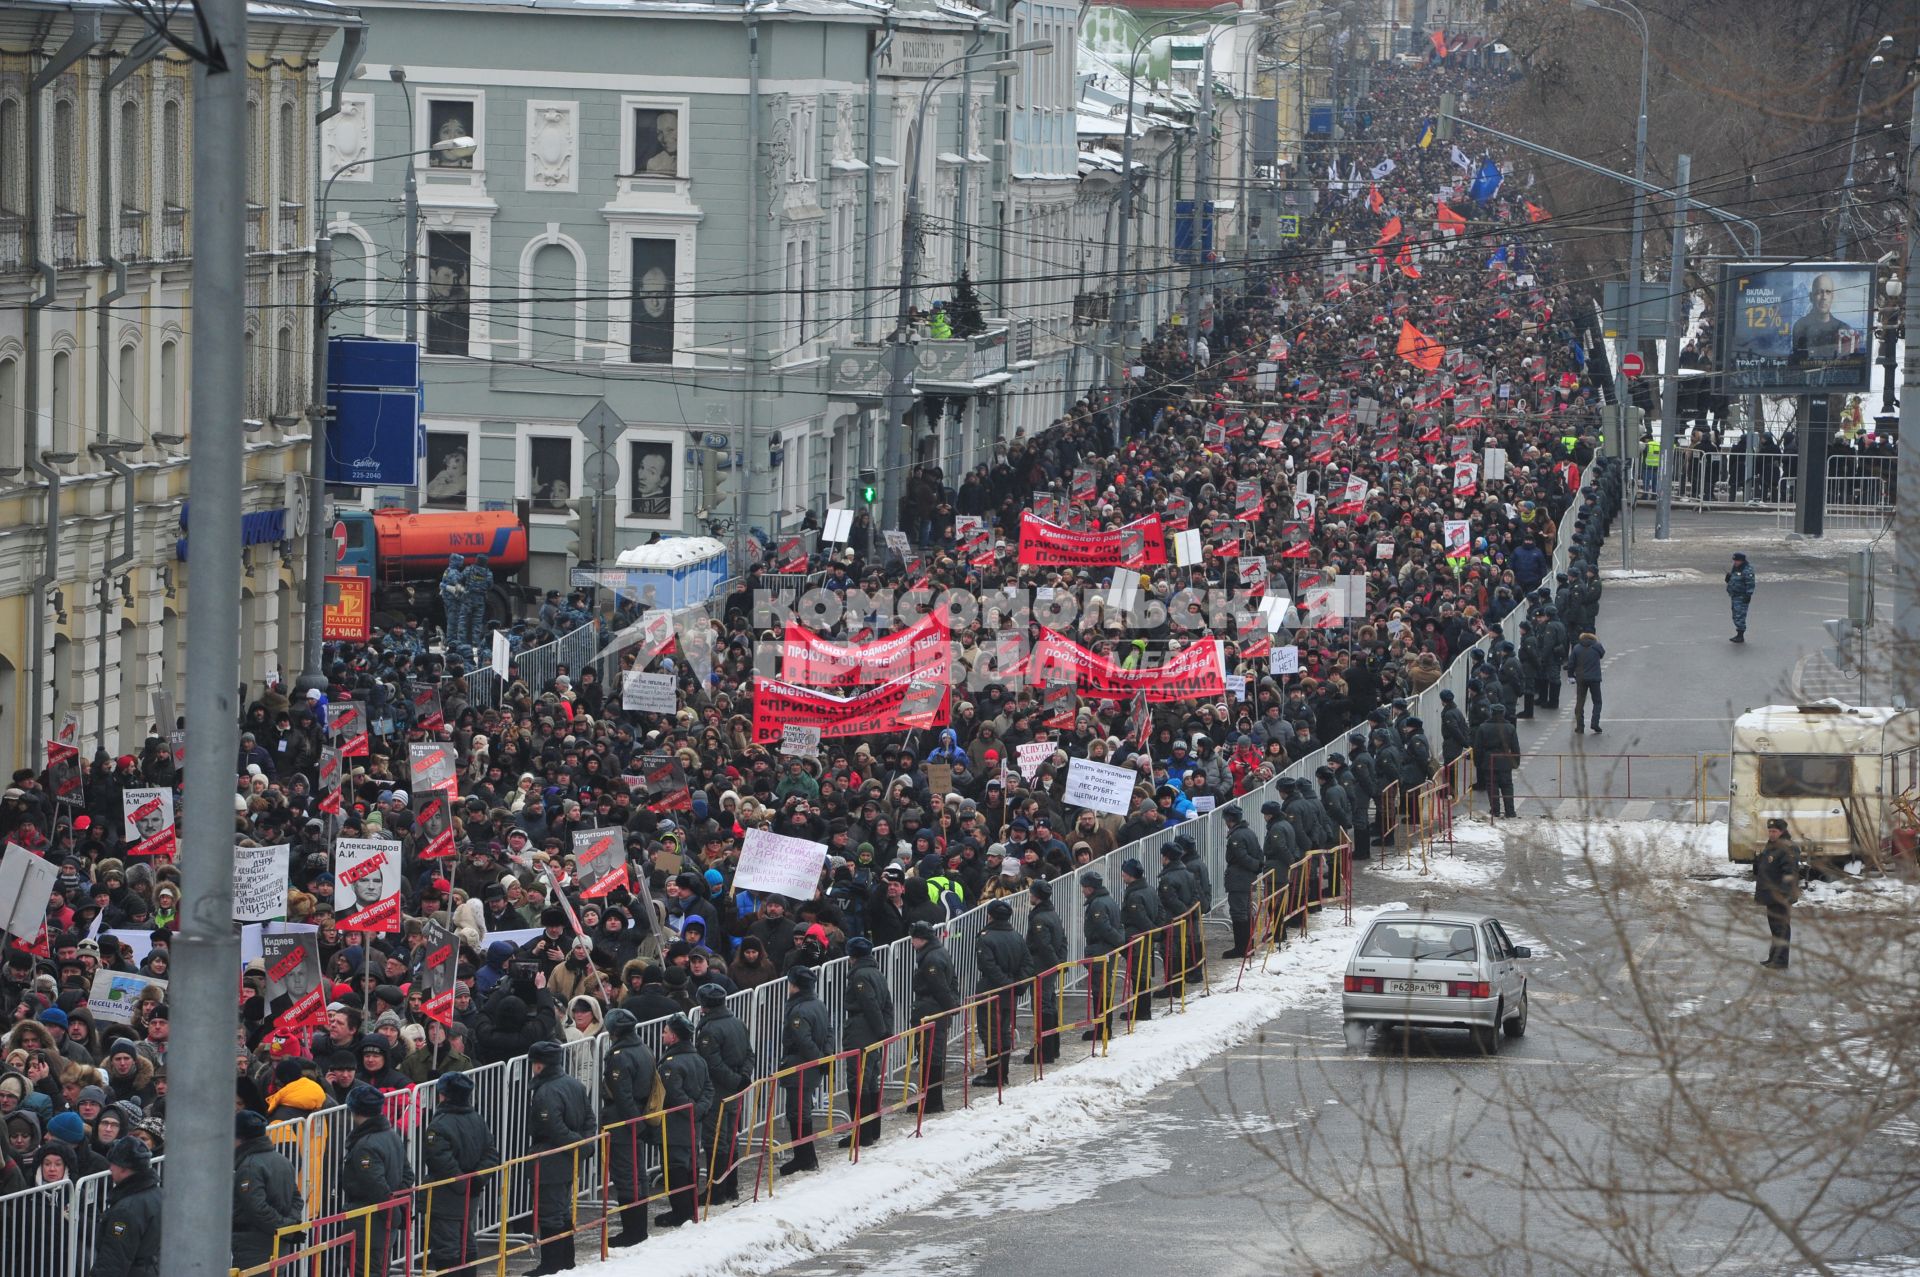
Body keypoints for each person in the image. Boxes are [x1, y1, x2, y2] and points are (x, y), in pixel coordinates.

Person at [422, 1070, 498, 1277]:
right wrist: (477, 1179)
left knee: (448, 1247)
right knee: (467, 1241)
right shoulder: (477, 1119)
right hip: (470, 1194)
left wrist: (463, 1182)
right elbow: (491, 1153)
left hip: (447, 1194)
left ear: (443, 1095)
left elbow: (440, 1161)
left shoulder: (439, 1124)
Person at [526, 1040, 592, 1276]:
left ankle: (552, 1264)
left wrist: (578, 1145)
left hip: (551, 1157)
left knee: (550, 1212)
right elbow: (589, 1121)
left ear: (539, 1065)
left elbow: (554, 1128)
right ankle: (566, 1261)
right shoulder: (574, 1085)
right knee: (562, 1209)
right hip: (568, 1157)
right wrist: (583, 1145)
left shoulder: (545, 1092)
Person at [598, 1007, 658, 1248]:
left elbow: (622, 1096)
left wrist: (634, 1124)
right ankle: (637, 1229)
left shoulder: (619, 1056)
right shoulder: (643, 1049)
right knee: (638, 1174)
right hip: (639, 1115)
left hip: (624, 1121)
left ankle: (633, 1231)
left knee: (626, 1174)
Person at [340, 1083, 410, 1277]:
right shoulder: (391, 1135)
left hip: (369, 1220)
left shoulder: (365, 1145)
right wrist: (397, 1207)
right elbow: (407, 1174)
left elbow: (375, 1186)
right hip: (383, 1219)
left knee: (366, 1271)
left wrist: (393, 1212)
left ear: (354, 1109)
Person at [693, 983, 753, 1203]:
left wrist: (736, 1081)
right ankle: (731, 1187)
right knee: (730, 1138)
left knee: (716, 1139)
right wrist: (743, 1077)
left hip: (719, 1091)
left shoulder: (710, 1029)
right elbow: (749, 1054)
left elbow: (713, 1064)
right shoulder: (737, 1023)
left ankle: (716, 1190)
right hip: (735, 1089)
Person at [652, 1014, 712, 1227]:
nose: (663, 1034)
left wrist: (692, 1110)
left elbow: (674, 1095)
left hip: (675, 1125)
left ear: (675, 1037)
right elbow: (708, 1090)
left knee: (675, 1167)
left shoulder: (672, 1064)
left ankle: (682, 1211)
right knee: (689, 1165)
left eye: (666, 1031)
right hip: (692, 1124)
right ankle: (688, 1209)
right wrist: (700, 1110)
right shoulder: (698, 1059)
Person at [778, 966, 833, 1174]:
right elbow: (829, 1032)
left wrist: (819, 1060)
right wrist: (826, 1057)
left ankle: (804, 1157)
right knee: (803, 1109)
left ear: (795, 986)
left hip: (801, 1065)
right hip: (811, 1064)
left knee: (797, 1112)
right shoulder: (818, 1004)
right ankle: (806, 1156)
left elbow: (803, 1041)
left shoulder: (799, 1010)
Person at [231, 1109, 301, 1272]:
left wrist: (283, 1227)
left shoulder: (249, 1166)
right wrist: (289, 1225)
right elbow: (297, 1199)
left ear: (239, 1138)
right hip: (278, 1245)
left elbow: (256, 1208)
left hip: (253, 1246)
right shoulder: (282, 1161)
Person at [840, 937, 891, 1146]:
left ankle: (861, 1133)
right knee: (870, 1079)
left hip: (862, 1030)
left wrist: (881, 1031)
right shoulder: (876, 972)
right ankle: (871, 1130)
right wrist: (886, 1030)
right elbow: (888, 1003)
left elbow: (869, 1004)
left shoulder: (859, 976)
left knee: (859, 1080)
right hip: (873, 1030)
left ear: (852, 956)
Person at [908, 920, 960, 1110]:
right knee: (931, 1054)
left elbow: (940, 988)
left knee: (930, 1054)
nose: (912, 943)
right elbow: (953, 982)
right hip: (935, 1009)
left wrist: (951, 1007)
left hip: (931, 1010)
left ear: (920, 939)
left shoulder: (931, 959)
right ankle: (930, 1099)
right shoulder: (938, 952)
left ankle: (931, 1101)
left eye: (913, 939)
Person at [93, 1137, 163, 1277]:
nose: (110, 1168)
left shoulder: (125, 1210)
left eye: (113, 1163)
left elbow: (113, 1259)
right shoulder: (160, 1196)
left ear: (124, 1168)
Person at [1023, 880, 1066, 1063]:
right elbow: (1063, 941)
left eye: (1032, 893)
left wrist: (1055, 965)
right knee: (1049, 1004)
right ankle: (1052, 1047)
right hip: (1050, 966)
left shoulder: (1040, 918)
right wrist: (1060, 964)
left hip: (1042, 966)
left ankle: (1044, 1049)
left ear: (1037, 895)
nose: (1029, 896)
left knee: (1042, 1006)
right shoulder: (1052, 914)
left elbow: (1044, 946)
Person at [1080, 871, 1126, 1040]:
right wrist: (1119, 941)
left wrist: (1118, 941)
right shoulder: (1108, 900)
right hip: (1107, 949)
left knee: (1099, 989)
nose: (1082, 891)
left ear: (1090, 888)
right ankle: (1104, 1027)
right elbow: (1118, 924)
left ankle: (1102, 1029)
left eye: (1084, 887)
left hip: (1101, 950)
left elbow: (1104, 928)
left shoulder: (1097, 904)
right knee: (1104, 988)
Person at [1118, 858, 1163, 1024]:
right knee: (1142, 973)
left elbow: (1140, 919)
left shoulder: (1135, 895)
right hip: (1145, 937)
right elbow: (1161, 911)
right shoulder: (1149, 889)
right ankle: (1141, 1009)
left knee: (1139, 975)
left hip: (1138, 938)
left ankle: (1142, 1010)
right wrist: (1157, 929)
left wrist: (1154, 932)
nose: (1122, 875)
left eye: (1124, 872)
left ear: (1131, 875)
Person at [1755, 818, 1802, 971]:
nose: (1771, 834)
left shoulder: (1788, 848)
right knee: (1775, 928)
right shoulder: (1772, 845)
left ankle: (1781, 960)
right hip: (1771, 895)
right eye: (1769, 831)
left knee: (1781, 928)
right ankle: (1774, 958)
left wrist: (1783, 894)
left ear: (1782, 832)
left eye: (1774, 831)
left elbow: (1789, 873)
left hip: (1781, 896)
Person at [1222, 806, 1264, 959]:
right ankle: (1247, 944)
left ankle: (1242, 947)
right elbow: (1259, 853)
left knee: (1239, 912)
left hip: (1239, 878)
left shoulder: (1236, 836)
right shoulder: (1249, 832)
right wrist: (1258, 866)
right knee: (1245, 910)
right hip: (1246, 877)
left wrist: (1255, 866)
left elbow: (1242, 857)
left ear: (1229, 820)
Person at [1789, 273, 1853, 361]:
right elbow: (1797, 363)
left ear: (1832, 297)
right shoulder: (1801, 326)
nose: (1824, 297)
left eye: (1828, 292)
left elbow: (1849, 362)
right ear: (1811, 297)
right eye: (1819, 292)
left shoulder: (1843, 328)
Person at [1474, 705, 1521, 819]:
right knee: (1507, 786)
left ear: (1491, 712)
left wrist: (1478, 762)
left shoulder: (1483, 727)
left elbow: (1478, 748)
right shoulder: (1510, 728)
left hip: (1489, 761)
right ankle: (1510, 811)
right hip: (1505, 761)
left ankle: (1495, 810)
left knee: (1492, 786)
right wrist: (1516, 762)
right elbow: (1515, 748)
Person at [1565, 632, 1605, 735]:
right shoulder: (1597, 646)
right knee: (1597, 702)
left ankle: (1580, 727)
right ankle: (1594, 723)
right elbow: (1602, 654)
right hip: (1595, 679)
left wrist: (1570, 675)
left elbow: (1571, 663)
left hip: (1581, 679)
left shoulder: (1577, 648)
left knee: (1580, 702)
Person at [1725, 551, 1756, 643]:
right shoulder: (1736, 568)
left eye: (1737, 561)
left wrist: (1748, 595)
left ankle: (1740, 635)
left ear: (1742, 560)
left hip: (1742, 596)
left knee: (1740, 615)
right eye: (1734, 561)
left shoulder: (1747, 570)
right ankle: (1739, 634)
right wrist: (1728, 579)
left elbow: (1750, 583)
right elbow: (1735, 579)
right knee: (1735, 615)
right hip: (1734, 595)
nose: (1735, 562)